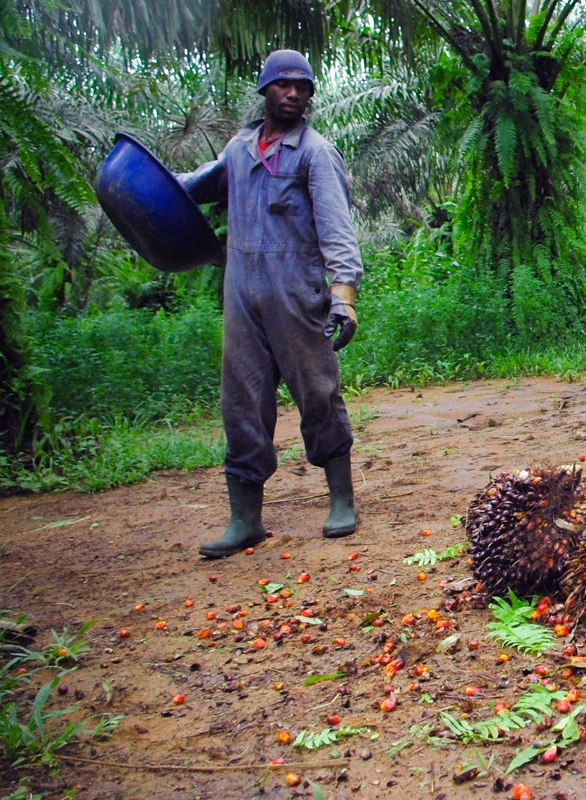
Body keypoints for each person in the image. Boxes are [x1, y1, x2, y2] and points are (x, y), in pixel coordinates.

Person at [180, 49, 363, 558]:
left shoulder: (315, 153)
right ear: (264, 91)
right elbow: (190, 189)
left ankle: (341, 501)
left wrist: (342, 296)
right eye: (284, 85)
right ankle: (245, 520)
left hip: (295, 291)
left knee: (317, 393)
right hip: (241, 294)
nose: (294, 94)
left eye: (303, 87)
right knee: (241, 403)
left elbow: (337, 231)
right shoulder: (238, 151)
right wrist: (145, 189)